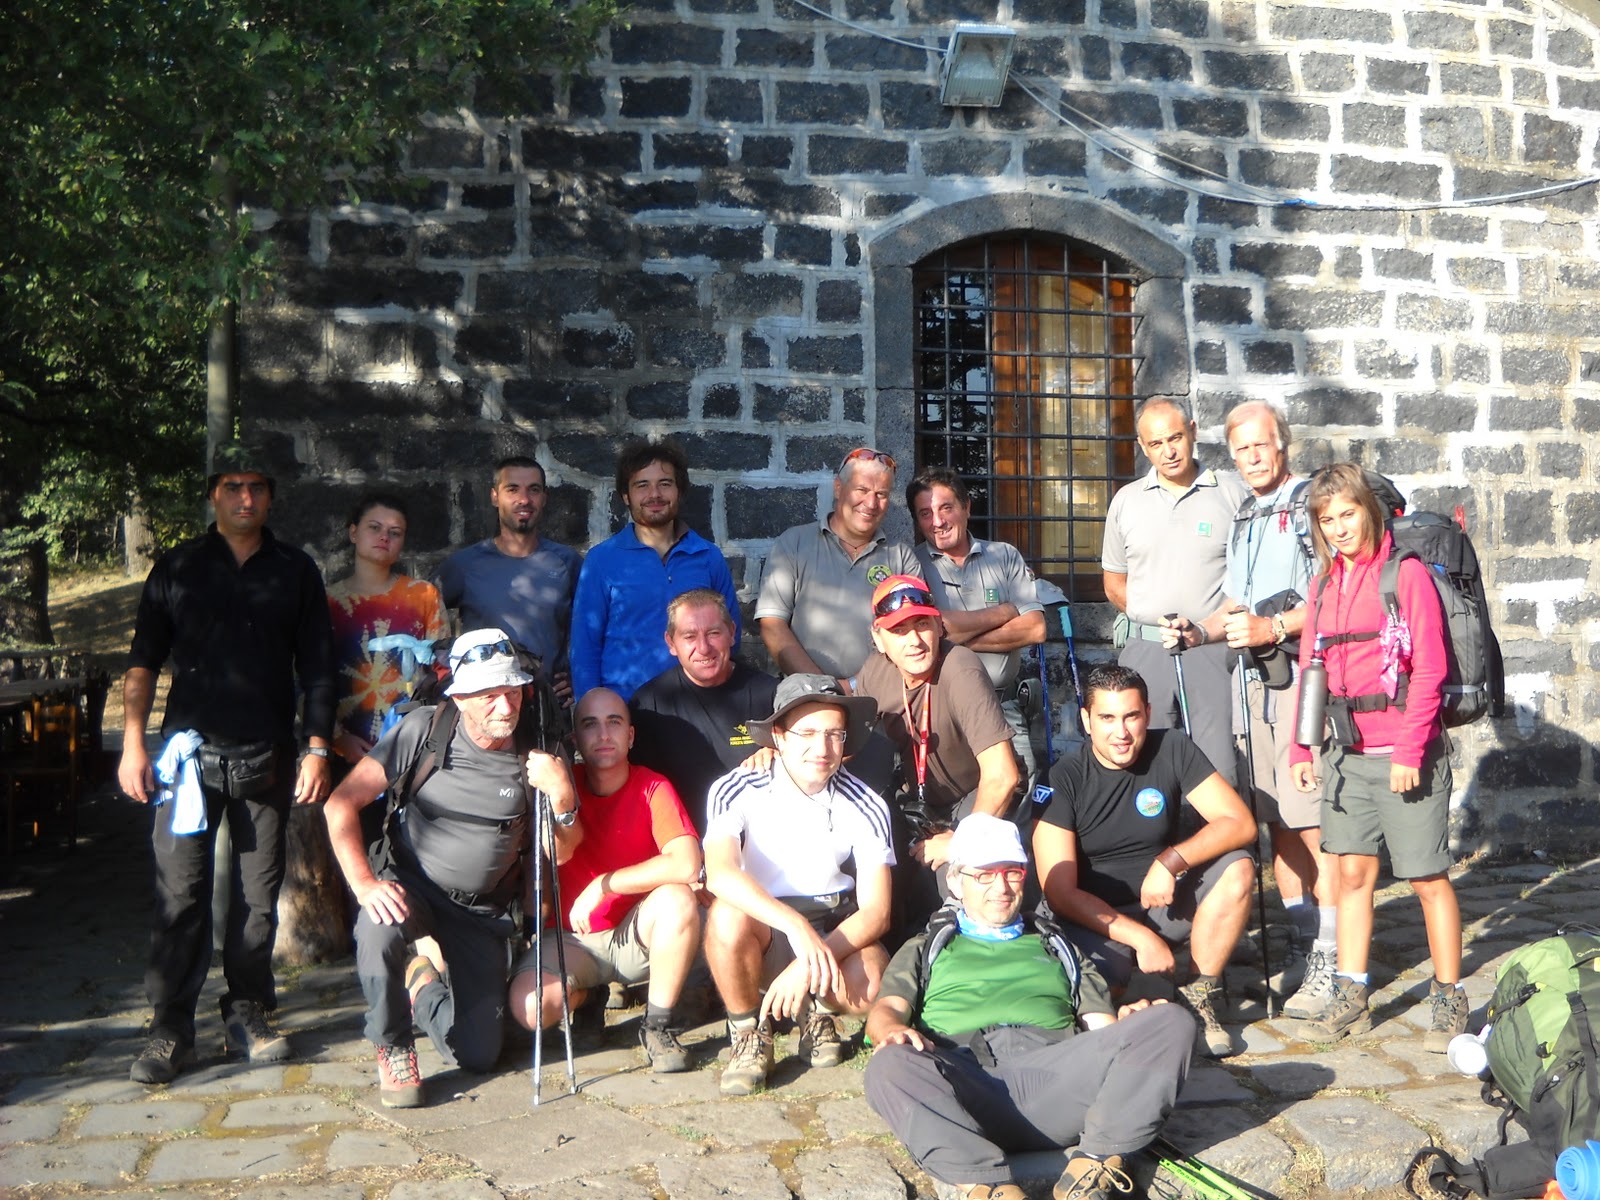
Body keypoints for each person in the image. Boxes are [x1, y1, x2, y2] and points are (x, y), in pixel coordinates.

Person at [118, 441, 336, 1085]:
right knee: (179, 896)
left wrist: (317, 748)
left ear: (270, 496)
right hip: (186, 762)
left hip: (266, 758)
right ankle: (170, 1029)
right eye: (234, 486)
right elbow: (142, 660)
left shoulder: (295, 570)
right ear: (214, 493)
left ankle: (248, 1012)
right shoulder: (179, 566)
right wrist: (132, 743)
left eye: (257, 487)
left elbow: (318, 669)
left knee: (257, 897)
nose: (246, 498)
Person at [865, 814, 1194, 1200]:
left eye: (1012, 873)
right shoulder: (925, 948)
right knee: (889, 1065)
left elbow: (1101, 1028)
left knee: (1169, 1021)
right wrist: (891, 1030)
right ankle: (991, 1188)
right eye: (984, 875)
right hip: (966, 1089)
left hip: (1055, 1079)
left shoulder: (1059, 946)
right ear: (955, 881)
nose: (1001, 887)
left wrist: (1128, 1028)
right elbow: (886, 1011)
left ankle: (1094, 1166)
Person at [1162, 402, 1332, 1017]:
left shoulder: (1312, 505)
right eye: (1241, 450)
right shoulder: (1248, 514)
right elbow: (1235, 603)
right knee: (1275, 818)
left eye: (1261, 445)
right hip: (1254, 686)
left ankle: (1333, 959)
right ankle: (1303, 944)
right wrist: (1198, 634)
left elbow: (1338, 596)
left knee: (1313, 822)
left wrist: (1274, 628)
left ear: (1282, 444)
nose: (1251, 457)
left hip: (1305, 683)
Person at [1289, 463, 1465, 1049]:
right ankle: (1351, 991)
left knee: (1426, 878)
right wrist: (1302, 745)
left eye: (1348, 514)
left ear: (1370, 510)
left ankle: (1449, 997)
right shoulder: (1323, 584)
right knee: (1350, 874)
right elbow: (1311, 669)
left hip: (1405, 752)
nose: (1339, 528)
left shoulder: (1404, 574)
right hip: (1346, 754)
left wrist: (1410, 749)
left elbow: (1430, 668)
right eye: (1327, 519)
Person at [323, 630, 538, 1108]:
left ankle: (422, 984)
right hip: (412, 885)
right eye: (488, 695)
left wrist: (561, 797)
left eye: (512, 690)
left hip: (481, 909)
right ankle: (393, 1044)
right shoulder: (425, 729)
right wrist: (364, 884)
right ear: (459, 697)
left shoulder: (537, 746)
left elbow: (554, 850)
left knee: (480, 1055)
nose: (505, 706)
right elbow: (341, 803)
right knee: (377, 928)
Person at [1033, 664, 1257, 1058]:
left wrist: (1171, 861)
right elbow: (1059, 892)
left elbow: (1240, 823)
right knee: (1101, 997)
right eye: (1107, 718)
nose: (1121, 732)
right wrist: (1141, 939)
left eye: (1131, 716)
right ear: (1086, 720)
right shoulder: (1062, 778)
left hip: (1162, 901)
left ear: (1148, 714)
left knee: (1238, 867)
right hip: (1096, 920)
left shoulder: (1172, 746)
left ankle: (1198, 995)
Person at [702, 674, 894, 1096]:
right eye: (806, 733)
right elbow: (720, 873)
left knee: (872, 981)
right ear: (778, 736)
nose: (822, 749)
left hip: (830, 928)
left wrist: (808, 963)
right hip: (765, 927)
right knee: (726, 915)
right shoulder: (736, 787)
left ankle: (818, 1012)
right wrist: (794, 926)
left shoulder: (867, 802)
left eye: (834, 734)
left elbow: (877, 911)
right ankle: (747, 1031)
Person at [508, 688, 704, 1073]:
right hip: (571, 938)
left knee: (679, 899)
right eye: (590, 724)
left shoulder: (653, 786)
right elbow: (554, 853)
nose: (603, 734)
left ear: (630, 736)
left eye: (614, 723)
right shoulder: (561, 786)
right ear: (575, 739)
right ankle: (587, 997)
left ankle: (657, 1025)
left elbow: (686, 864)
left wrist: (604, 884)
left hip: (634, 934)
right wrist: (560, 793)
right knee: (531, 1010)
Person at [853, 574, 1019, 940]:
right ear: (878, 639)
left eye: (922, 625)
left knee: (960, 877)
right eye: (898, 631)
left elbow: (1002, 776)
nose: (914, 641)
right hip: (916, 802)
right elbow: (844, 741)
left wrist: (959, 841)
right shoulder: (874, 673)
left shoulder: (960, 668)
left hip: (974, 795)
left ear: (939, 626)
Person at [1102, 397, 1249, 786]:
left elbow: (1247, 579)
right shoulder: (1126, 501)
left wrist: (1204, 629)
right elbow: (1113, 581)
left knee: (1217, 767)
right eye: (1155, 443)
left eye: (1175, 438)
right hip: (1146, 651)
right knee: (1142, 767)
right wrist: (1151, 618)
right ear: (1142, 445)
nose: (1167, 451)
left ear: (1193, 432)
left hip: (1212, 651)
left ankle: (1221, 830)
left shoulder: (1232, 494)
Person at [569, 440, 740, 702]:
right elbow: (585, 648)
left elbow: (730, 638)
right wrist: (590, 710)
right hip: (627, 708)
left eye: (665, 483)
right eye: (642, 485)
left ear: (679, 491)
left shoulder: (708, 557)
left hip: (700, 707)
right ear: (626, 496)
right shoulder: (602, 561)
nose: (655, 494)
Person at [908, 466, 1046, 784]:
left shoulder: (1004, 556)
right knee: (949, 797)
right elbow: (929, 630)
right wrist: (1005, 611)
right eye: (925, 513)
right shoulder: (911, 564)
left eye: (946, 508)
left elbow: (1035, 629)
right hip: (941, 710)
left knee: (1019, 790)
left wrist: (949, 637)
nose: (937, 521)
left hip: (1003, 706)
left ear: (967, 507)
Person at [755, 446, 919, 682]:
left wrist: (858, 686)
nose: (871, 503)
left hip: (882, 693)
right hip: (805, 693)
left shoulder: (901, 557)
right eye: (862, 490)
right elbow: (772, 626)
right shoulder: (793, 544)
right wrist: (825, 687)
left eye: (881, 494)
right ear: (838, 487)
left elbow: (914, 633)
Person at [630, 588, 779, 834]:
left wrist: (780, 754)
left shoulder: (770, 695)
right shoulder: (648, 706)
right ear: (671, 643)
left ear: (732, 633)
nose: (703, 648)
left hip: (756, 841)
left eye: (713, 633)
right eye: (689, 636)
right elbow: (637, 793)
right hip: (681, 842)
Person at [434, 456, 581, 699]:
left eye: (534, 490)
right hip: (487, 705)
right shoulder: (465, 565)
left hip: (549, 707)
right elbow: (422, 614)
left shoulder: (567, 562)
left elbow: (593, 628)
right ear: (495, 496)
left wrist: (579, 676)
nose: (524, 499)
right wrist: (448, 674)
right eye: (512, 489)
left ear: (544, 498)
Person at [327, 492, 451, 767]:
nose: (384, 537)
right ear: (353, 533)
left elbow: (443, 672)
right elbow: (309, 679)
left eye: (395, 532)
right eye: (374, 528)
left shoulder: (423, 596)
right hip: (345, 752)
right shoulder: (329, 602)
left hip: (413, 748)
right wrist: (337, 738)